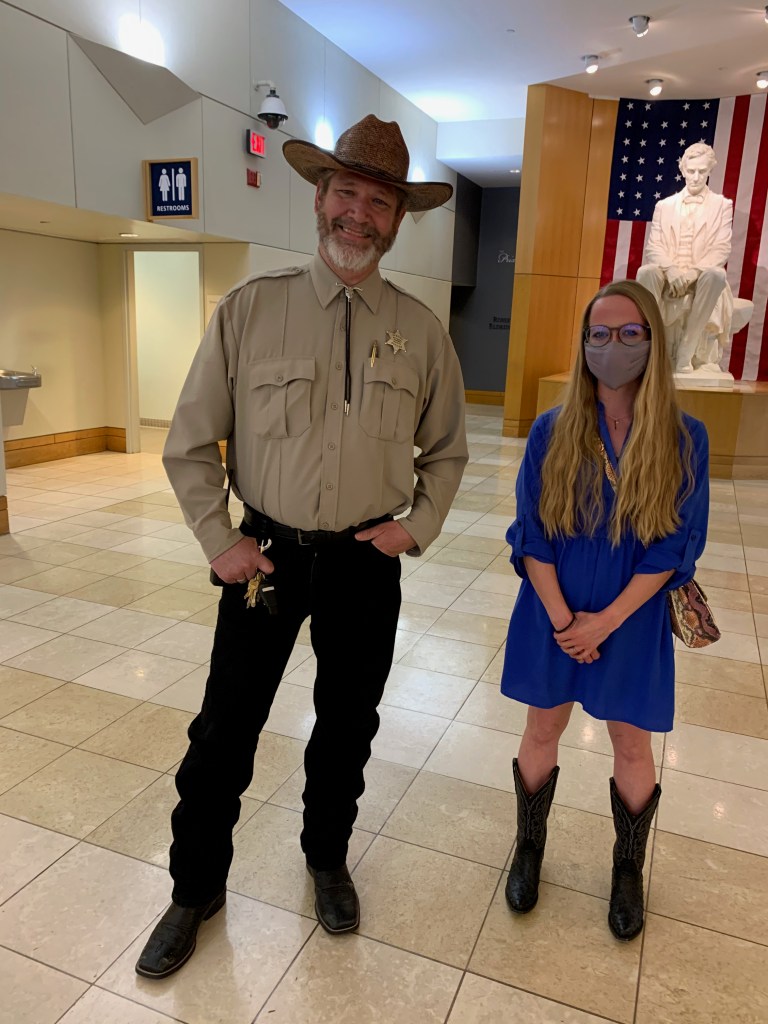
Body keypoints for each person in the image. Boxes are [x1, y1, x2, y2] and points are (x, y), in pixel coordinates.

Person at [135, 115, 468, 979]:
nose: (360, 214)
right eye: (347, 193)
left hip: (364, 563)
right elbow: (189, 442)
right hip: (267, 561)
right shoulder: (251, 310)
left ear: (398, 220)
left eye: (380, 203)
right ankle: (194, 888)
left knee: (347, 727)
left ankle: (326, 858)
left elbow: (447, 452)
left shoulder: (422, 333)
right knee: (224, 730)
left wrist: (416, 526)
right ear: (320, 198)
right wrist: (220, 540)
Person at [500, 279, 708, 941]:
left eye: (629, 334)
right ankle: (528, 848)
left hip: (631, 618)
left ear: (652, 341)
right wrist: (567, 622)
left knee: (631, 742)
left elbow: (675, 544)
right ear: (585, 344)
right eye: (600, 334)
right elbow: (531, 532)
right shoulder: (551, 430)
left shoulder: (684, 438)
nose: (613, 346)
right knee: (541, 728)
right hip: (552, 611)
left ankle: (626, 868)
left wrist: (606, 621)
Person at [636, 143, 734, 374]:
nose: (696, 177)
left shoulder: (722, 205)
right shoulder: (664, 206)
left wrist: (692, 273)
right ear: (682, 170)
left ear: (710, 170)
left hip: (701, 277)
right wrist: (671, 270)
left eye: (702, 171)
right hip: (669, 275)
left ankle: (686, 351)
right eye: (691, 171)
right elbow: (654, 247)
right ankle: (653, 348)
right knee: (646, 272)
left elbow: (721, 248)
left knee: (716, 274)